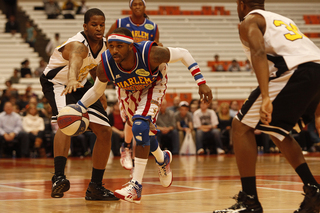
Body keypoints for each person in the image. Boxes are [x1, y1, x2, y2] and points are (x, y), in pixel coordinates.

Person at [77, 27, 212, 203]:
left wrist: (201, 82)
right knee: (142, 130)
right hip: (127, 89)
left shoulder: (151, 53)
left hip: (153, 85)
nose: (114, 50)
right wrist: (78, 108)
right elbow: (96, 91)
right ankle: (163, 158)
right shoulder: (105, 65)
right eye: (111, 46)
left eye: (119, 46)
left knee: (140, 125)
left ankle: (136, 186)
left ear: (131, 46)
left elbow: (184, 54)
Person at [214, 0, 320, 212]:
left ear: (241, 4)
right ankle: (314, 191)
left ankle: (249, 201)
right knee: (275, 131)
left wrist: (265, 97)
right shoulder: (281, 19)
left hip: (294, 71)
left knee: (240, 127)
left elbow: (259, 53)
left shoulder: (249, 21)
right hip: (315, 70)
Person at [40, 8, 118, 201]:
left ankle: (95, 187)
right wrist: (73, 78)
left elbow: (94, 67)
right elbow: (77, 59)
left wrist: (99, 91)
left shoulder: (105, 46)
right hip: (57, 83)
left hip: (81, 84)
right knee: (66, 122)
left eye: (102, 25)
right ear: (85, 26)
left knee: (105, 131)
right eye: (94, 25)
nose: (99, 28)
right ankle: (58, 177)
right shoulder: (78, 44)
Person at [105, 0, 161, 171]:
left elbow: (157, 47)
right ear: (130, 7)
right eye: (134, 4)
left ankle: (142, 160)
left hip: (144, 75)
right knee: (131, 119)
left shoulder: (153, 26)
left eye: (140, 4)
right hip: (126, 73)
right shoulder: (120, 24)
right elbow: (108, 41)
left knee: (144, 121)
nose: (137, 7)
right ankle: (127, 147)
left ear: (145, 7)